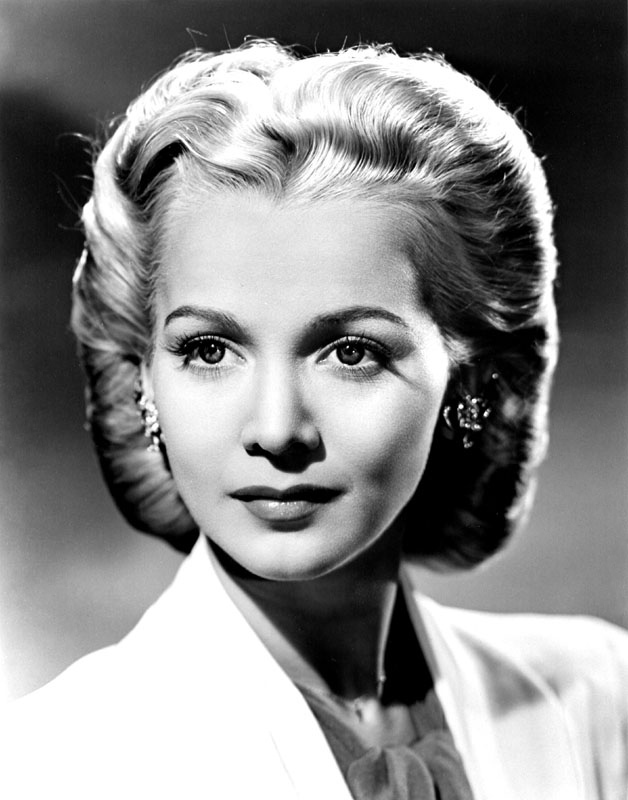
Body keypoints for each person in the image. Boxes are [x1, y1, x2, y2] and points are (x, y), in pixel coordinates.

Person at [1, 40, 626, 799]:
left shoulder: (596, 698)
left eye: (351, 352)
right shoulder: (48, 764)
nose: (275, 430)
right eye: (208, 349)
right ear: (143, 381)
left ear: (470, 381)